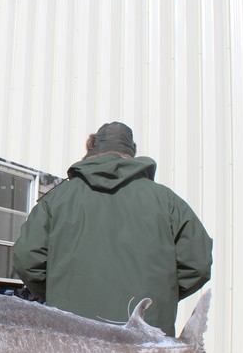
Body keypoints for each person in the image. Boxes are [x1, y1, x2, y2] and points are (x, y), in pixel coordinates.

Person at [12, 121, 212, 336]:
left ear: (91, 151)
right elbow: (197, 264)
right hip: (145, 342)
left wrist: (59, 293)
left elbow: (27, 259)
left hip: (73, 341)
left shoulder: (56, 199)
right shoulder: (167, 201)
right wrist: (160, 296)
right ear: (131, 153)